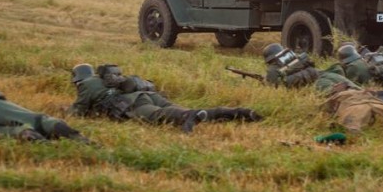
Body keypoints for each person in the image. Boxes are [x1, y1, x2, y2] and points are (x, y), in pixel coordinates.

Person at [69, 63, 263, 133]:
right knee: (183, 109)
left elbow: (78, 111)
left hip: (135, 103)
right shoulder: (106, 79)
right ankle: (236, 113)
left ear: (78, 79)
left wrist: (63, 110)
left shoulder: (86, 85)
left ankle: (187, 117)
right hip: (148, 94)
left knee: (162, 116)